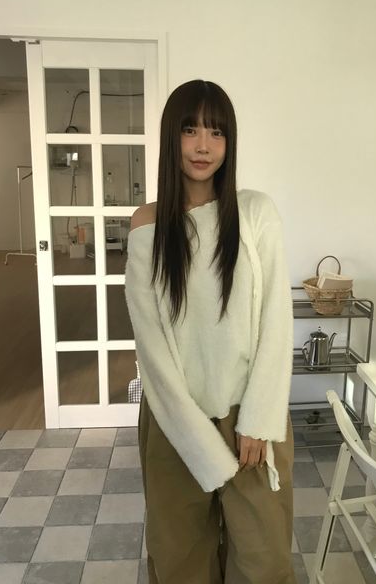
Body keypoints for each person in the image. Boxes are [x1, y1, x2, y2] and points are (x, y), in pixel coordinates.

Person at [125, 80, 296, 584]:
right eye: (190, 129)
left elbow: (277, 320)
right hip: (175, 422)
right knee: (181, 564)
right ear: (170, 137)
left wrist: (259, 420)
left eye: (217, 132)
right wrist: (199, 444)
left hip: (251, 420)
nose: (203, 145)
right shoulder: (147, 225)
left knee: (264, 564)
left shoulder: (255, 212)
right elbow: (152, 348)